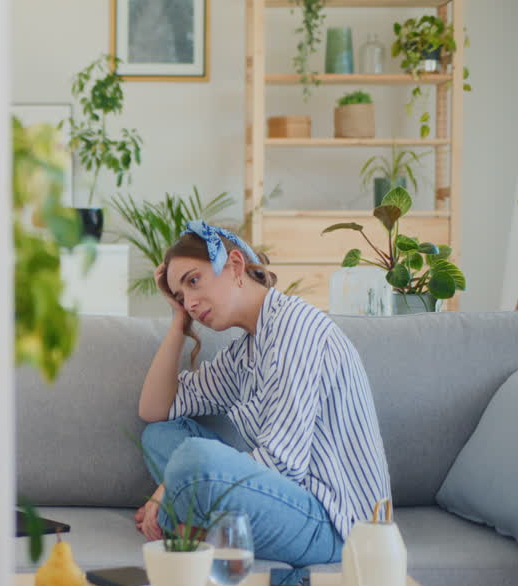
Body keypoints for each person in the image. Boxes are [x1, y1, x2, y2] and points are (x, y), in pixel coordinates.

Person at [134, 221, 390, 567]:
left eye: (194, 281)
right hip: (284, 502)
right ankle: (203, 529)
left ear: (236, 266)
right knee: (161, 436)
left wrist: (167, 488)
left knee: (195, 458)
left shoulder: (297, 329)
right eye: (181, 296)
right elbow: (155, 410)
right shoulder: (246, 351)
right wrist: (179, 320)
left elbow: (282, 464)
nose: (191, 302)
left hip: (335, 525)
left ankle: (192, 527)